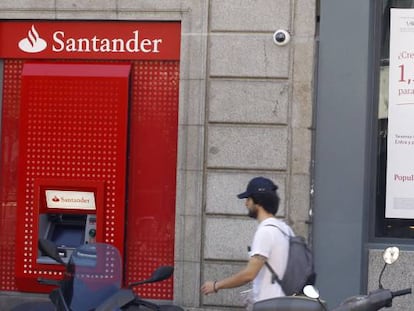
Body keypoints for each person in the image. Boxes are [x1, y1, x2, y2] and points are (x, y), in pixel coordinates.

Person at [200, 176, 293, 309]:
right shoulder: (285, 229)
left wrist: (216, 285)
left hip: (269, 304)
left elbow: (249, 274)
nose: (246, 204)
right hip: (283, 302)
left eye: (248, 199)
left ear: (258, 202)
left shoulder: (265, 232)